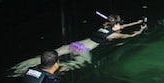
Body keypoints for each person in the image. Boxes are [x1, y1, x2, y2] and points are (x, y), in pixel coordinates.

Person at [9, 14, 147, 76]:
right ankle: (52, 72)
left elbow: (121, 26)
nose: (121, 25)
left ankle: (20, 67)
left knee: (51, 55)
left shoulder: (104, 26)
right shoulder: (113, 35)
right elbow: (130, 35)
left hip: (76, 44)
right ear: (115, 25)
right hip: (84, 49)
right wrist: (141, 29)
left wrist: (136, 22)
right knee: (77, 64)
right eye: (119, 23)